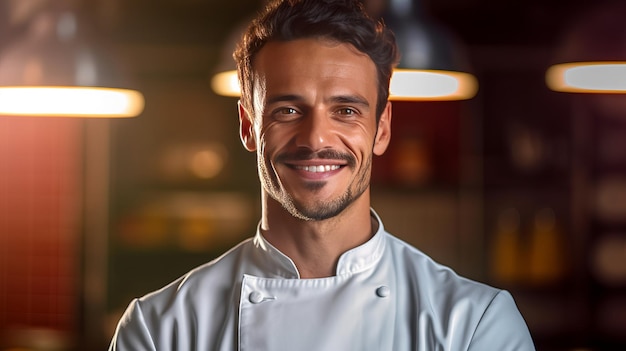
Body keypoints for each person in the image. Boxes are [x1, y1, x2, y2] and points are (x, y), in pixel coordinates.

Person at [108, 0, 535, 350]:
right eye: (287, 110)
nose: (315, 138)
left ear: (382, 129)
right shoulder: (159, 330)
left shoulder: (474, 326)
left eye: (346, 111)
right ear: (248, 126)